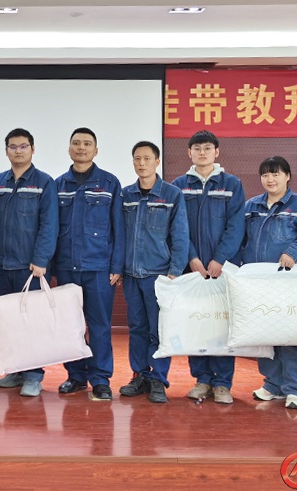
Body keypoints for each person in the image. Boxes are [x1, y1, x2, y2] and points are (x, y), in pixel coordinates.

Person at [237, 156, 297, 410]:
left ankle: (295, 389)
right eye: (265, 175)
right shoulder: (251, 206)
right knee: (265, 333)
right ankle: (273, 384)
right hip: (258, 282)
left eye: (275, 174)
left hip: (289, 283)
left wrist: (293, 252)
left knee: (290, 334)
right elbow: (240, 239)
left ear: (287, 176)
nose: (270, 179)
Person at [171, 130, 245, 404]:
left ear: (217, 152)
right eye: (197, 148)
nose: (202, 153)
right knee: (197, 323)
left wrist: (220, 259)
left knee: (222, 325)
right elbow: (179, 227)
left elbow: (236, 226)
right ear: (189, 153)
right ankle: (202, 379)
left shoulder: (232, 184)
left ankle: (223, 383)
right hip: (192, 269)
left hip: (222, 269)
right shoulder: (179, 185)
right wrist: (191, 258)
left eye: (207, 148)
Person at [52, 128, 124, 400]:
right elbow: (50, 229)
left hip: (99, 267)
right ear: (69, 149)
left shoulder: (109, 183)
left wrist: (117, 265)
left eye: (87, 143)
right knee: (70, 325)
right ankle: (76, 376)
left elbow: (119, 228)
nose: (81, 147)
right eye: (76, 143)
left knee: (100, 325)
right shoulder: (58, 185)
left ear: (96, 150)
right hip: (67, 267)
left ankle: (100, 378)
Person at [0, 128, 59, 398]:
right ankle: (17, 370)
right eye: (13, 147)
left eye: (23, 146)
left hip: (32, 268)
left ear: (33, 149)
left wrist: (41, 259)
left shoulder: (44, 183)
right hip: (4, 266)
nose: (18, 151)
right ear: (6, 150)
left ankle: (34, 375)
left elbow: (49, 224)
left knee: (33, 323)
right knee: (9, 323)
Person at [117, 141, 189, 404]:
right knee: (137, 327)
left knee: (159, 329)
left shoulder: (171, 195)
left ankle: (158, 378)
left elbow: (180, 235)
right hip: (131, 274)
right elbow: (118, 234)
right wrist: (118, 267)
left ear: (157, 161)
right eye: (137, 158)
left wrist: (175, 272)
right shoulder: (126, 195)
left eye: (147, 158)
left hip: (159, 275)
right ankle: (139, 375)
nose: (142, 163)